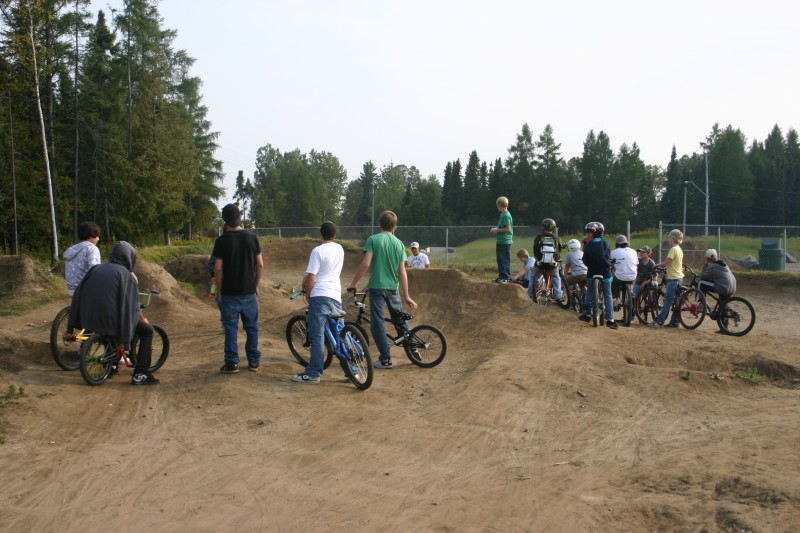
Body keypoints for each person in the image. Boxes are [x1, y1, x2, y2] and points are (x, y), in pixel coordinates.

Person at [68, 241, 158, 385]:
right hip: (110, 319)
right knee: (146, 330)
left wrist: (72, 323)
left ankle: (112, 366)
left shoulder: (96, 269)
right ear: (130, 257)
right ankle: (140, 374)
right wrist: (141, 318)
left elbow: (80, 290)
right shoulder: (127, 275)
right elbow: (132, 305)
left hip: (88, 317)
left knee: (112, 329)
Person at [348, 210, 417, 369]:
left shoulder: (373, 240)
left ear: (380, 225)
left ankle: (385, 359)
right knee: (399, 319)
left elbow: (366, 264)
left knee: (377, 322)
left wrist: (353, 282)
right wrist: (407, 295)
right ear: (395, 226)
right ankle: (411, 346)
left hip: (377, 287)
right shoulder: (399, 244)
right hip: (393, 288)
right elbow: (402, 272)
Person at [213, 204, 264, 373]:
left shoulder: (221, 241)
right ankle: (253, 361)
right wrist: (255, 285)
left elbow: (218, 268)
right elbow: (260, 265)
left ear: (225, 220)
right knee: (251, 327)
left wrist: (220, 288)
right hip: (249, 292)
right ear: (240, 217)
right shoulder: (252, 237)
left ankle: (231, 362)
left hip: (229, 293)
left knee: (230, 328)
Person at [292, 222, 345, 384]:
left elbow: (313, 276)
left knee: (317, 336)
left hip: (320, 295)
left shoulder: (317, 250)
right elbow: (312, 272)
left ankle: (314, 373)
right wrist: (306, 278)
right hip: (336, 295)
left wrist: (308, 294)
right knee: (340, 335)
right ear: (334, 235)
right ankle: (353, 370)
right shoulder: (339, 249)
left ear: (321, 234)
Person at [578, 222, 618, 329]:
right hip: (605, 272)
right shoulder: (605, 244)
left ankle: (586, 315)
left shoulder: (588, 245)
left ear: (593, 233)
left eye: (589, 232)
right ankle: (611, 320)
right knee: (608, 294)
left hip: (592, 272)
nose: (588, 234)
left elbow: (585, 260)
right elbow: (608, 258)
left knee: (590, 291)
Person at [650, 229, 684, 328]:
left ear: (673, 238)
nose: (668, 240)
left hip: (673, 279)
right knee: (677, 302)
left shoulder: (673, 249)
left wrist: (656, 265)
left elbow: (666, 263)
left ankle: (659, 321)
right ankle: (675, 322)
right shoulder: (679, 249)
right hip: (679, 277)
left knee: (667, 301)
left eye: (669, 237)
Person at [63, 221, 101, 297]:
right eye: (97, 236)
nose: (98, 239)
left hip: (71, 290)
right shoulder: (92, 248)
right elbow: (95, 269)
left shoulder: (72, 249)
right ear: (91, 236)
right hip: (85, 289)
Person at [531, 217, 564, 304]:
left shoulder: (538, 237)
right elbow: (559, 250)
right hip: (553, 264)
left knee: (533, 277)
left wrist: (537, 258)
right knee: (556, 277)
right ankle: (558, 296)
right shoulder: (557, 238)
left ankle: (531, 295)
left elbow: (535, 249)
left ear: (543, 227)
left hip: (540, 264)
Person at [610, 235, 638, 305]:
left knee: (613, 282)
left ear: (617, 243)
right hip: (633, 277)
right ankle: (631, 292)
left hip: (620, 277)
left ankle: (616, 299)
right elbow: (636, 264)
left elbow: (612, 265)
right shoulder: (633, 251)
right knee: (630, 279)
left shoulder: (613, 252)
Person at [491, 196, 513, 282]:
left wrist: (496, 230)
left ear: (500, 205)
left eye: (497, 205)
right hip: (500, 240)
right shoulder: (502, 214)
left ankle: (506, 277)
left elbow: (508, 229)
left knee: (504, 259)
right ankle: (501, 276)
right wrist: (496, 229)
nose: (497, 207)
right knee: (500, 259)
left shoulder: (506, 215)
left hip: (505, 241)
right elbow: (502, 226)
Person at [563, 239, 588, 311]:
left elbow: (567, 266)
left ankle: (570, 302)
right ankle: (587, 299)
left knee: (567, 283)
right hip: (586, 274)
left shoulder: (569, 254)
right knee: (583, 285)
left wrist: (564, 276)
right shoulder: (582, 253)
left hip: (577, 275)